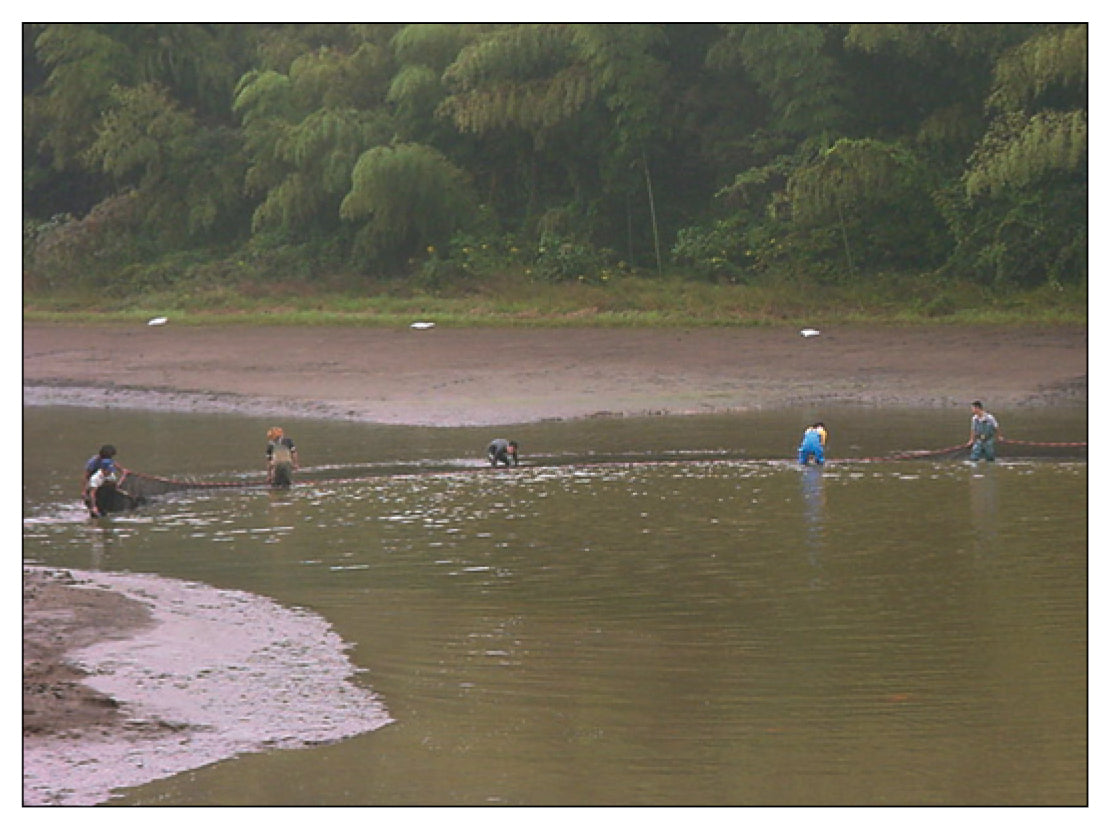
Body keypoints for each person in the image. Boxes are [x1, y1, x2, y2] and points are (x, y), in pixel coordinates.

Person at [82, 444, 123, 517]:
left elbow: (114, 464)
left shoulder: (109, 465)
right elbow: (86, 476)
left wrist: (122, 471)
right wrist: (84, 491)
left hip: (104, 481)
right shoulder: (93, 462)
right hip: (95, 481)